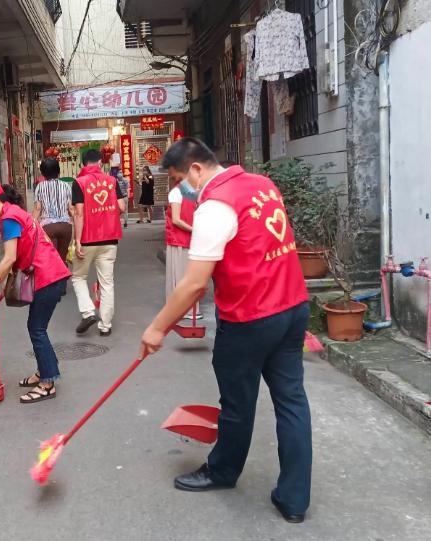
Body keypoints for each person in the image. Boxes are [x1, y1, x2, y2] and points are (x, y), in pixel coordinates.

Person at [140, 138, 312, 524]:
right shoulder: (261, 185)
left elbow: (194, 284)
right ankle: (294, 498)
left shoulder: (215, 205)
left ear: (197, 170)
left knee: (237, 403)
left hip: (251, 317)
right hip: (293, 308)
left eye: (180, 179)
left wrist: (157, 328)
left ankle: (222, 471)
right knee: (292, 401)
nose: (182, 188)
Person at [0, 180, 71, 403]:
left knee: (37, 329)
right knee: (36, 327)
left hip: (47, 277)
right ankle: (46, 370)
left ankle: (47, 383)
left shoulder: (9, 218)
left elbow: (9, 258)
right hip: (50, 274)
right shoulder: (16, 212)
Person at [71, 149, 127, 337]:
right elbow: (121, 207)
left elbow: (79, 213)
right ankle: (105, 325)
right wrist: (106, 214)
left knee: (79, 277)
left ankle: (88, 313)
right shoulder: (111, 182)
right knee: (107, 282)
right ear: (100, 164)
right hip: (110, 238)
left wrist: (77, 240)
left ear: (83, 165)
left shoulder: (79, 182)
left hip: (87, 239)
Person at [165, 172, 202, 319]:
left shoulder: (193, 193)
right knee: (181, 276)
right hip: (178, 240)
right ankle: (182, 310)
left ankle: (187, 309)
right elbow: (176, 219)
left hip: (190, 239)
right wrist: (195, 229)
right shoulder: (176, 193)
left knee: (188, 276)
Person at [33, 158, 73, 264]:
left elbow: (38, 209)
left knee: (52, 261)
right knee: (62, 259)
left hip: (48, 227)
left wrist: (32, 224)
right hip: (65, 226)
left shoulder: (40, 187)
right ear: (58, 171)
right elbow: (71, 209)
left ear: (43, 173)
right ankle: (63, 279)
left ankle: (53, 279)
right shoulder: (66, 186)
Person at [110, 153, 130, 229]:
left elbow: (127, 188)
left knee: (121, 210)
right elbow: (128, 188)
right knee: (124, 210)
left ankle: (122, 222)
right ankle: (124, 222)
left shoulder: (116, 180)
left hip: (120, 197)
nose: (120, 174)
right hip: (122, 197)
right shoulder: (120, 180)